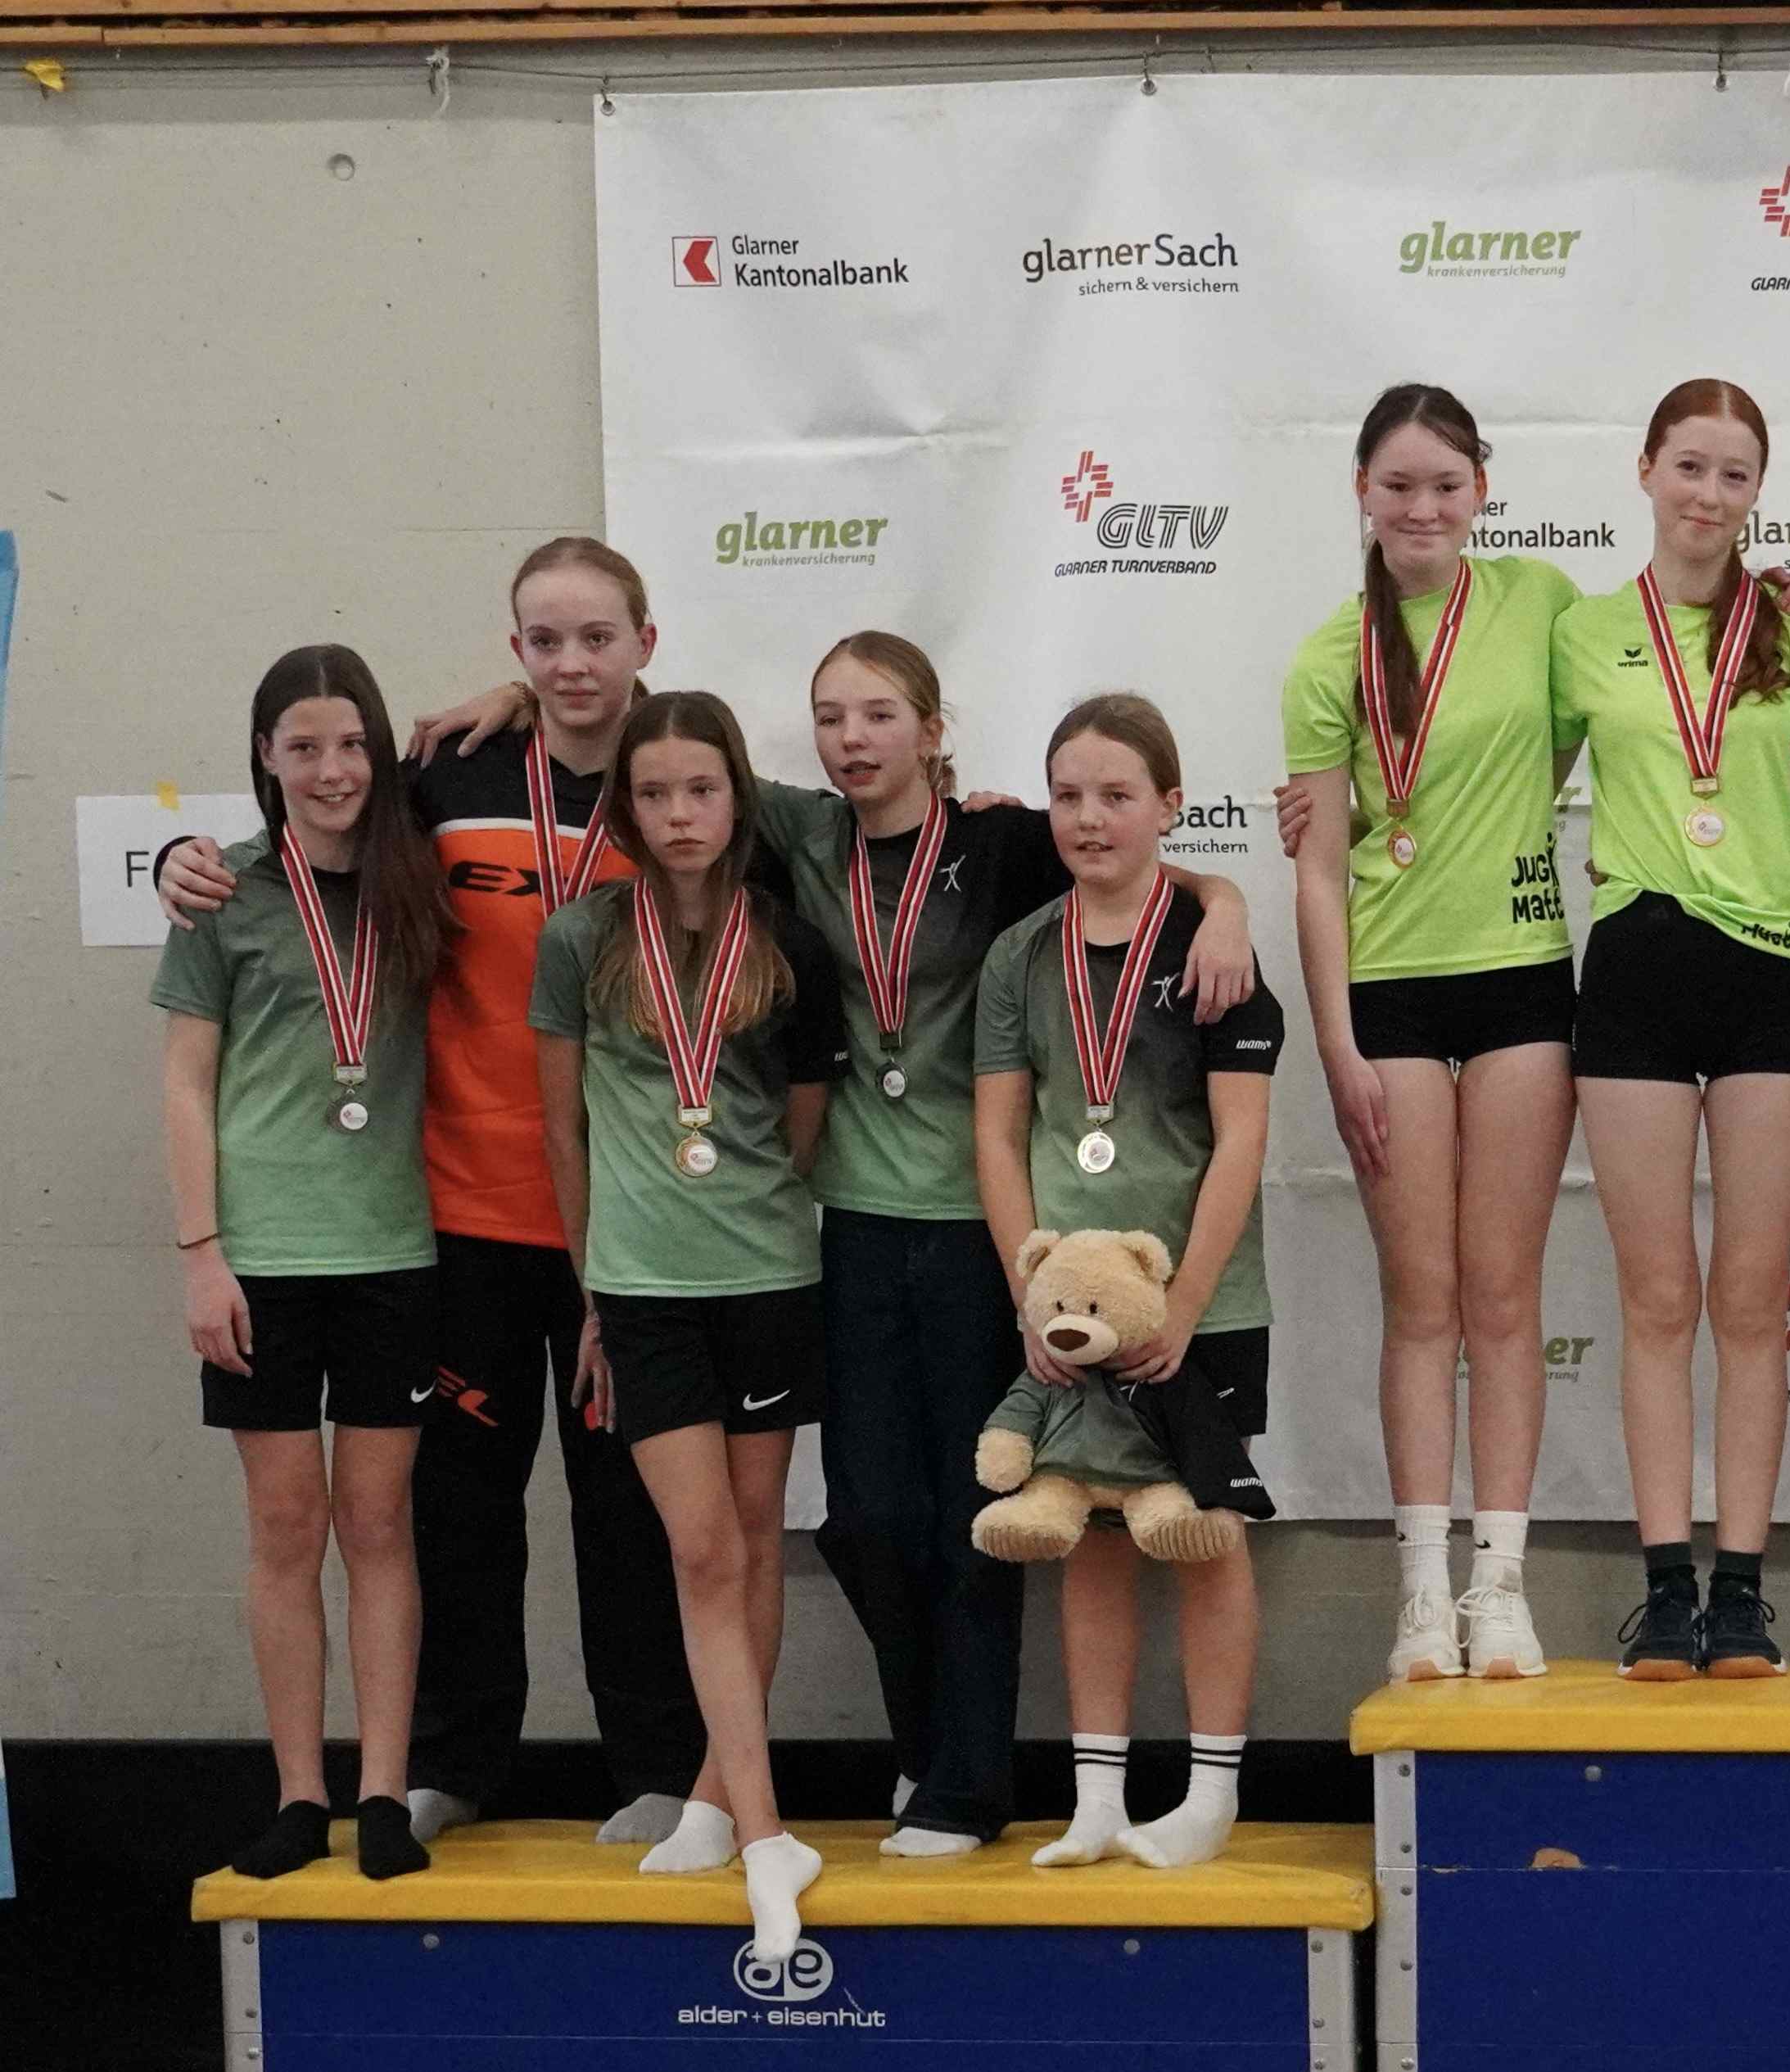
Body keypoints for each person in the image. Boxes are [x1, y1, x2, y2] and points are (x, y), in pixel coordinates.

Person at [157, 541, 705, 1845]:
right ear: (515, 652)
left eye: (596, 638)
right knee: (459, 1512)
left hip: (626, 1221)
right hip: (457, 1217)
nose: (570, 664)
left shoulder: (673, 779)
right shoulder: (447, 779)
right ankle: (453, 1766)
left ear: (645, 641)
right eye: (543, 643)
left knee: (625, 1505)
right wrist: (184, 855)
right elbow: (317, 819)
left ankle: (655, 1769)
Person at [776, 637, 1252, 1857]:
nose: (852, 737)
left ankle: (975, 1783)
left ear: (934, 730)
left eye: (879, 713)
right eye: (830, 716)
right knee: (868, 1517)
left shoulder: (1001, 843)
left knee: (1004, 1512)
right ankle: (934, 1749)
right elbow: (663, 764)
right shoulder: (804, 837)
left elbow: (1159, 863)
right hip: (880, 1227)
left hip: (1024, 1255)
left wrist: (1233, 902)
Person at [530, 693, 847, 1962]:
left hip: (766, 1277)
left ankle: (719, 1800)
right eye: (654, 794)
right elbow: (565, 1132)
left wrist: (745, 1206)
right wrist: (593, 1292)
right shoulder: (580, 939)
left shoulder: (789, 943)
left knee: (755, 1544)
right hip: (644, 1291)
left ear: (737, 800)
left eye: (700, 791)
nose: (678, 816)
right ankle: (768, 1832)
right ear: (626, 808)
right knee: (702, 1551)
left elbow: (804, 1124)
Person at [1283, 386, 1579, 1684]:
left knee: (1503, 1298)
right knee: (1422, 1303)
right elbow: (1318, 869)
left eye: (1445, 485)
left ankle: (1498, 1588)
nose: (1421, 508)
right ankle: (1418, 1595)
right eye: (1398, 486)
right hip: (1390, 997)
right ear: (1361, 490)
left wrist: (1780, 607)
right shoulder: (1327, 654)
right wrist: (1337, 1044)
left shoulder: (1543, 603)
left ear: (1481, 491)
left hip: (1520, 979)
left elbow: (1660, 669)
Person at [157, 646, 456, 1881]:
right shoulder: (221, 890)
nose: (333, 771)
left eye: (352, 745)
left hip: (393, 1251)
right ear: (266, 757)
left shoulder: (420, 879)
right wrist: (201, 1255)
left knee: (379, 1523)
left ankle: (383, 1791)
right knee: (286, 1527)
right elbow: (186, 1082)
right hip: (261, 1262)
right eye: (304, 747)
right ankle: (298, 1794)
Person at [974, 695, 1288, 1870]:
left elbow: (1242, 1141)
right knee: (1090, 1536)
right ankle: (1097, 1799)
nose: (1089, 819)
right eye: (1068, 796)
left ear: (1170, 806)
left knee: (1203, 1534)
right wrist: (1031, 1295)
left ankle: (1210, 1797)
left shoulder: (1214, 949)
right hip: (1067, 1315)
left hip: (1203, 1305)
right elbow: (999, 1136)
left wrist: (1189, 1304)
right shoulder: (1019, 954)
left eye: (1116, 795)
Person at [1551, 381, 1790, 1679]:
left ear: (1758, 490)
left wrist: (1752, 832)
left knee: (1753, 1300)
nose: (1709, 496)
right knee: (1657, 1296)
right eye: (1690, 468)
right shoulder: (1583, 631)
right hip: (1637, 969)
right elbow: (1498, 775)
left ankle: (1746, 1591)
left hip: (1771, 968)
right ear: (1646, 470)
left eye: (1734, 474)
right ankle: (1668, 1586)